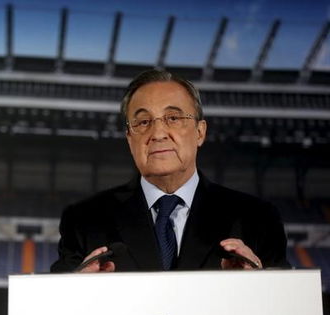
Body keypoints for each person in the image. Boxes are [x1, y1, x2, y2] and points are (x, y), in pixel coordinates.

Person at [51, 69, 288, 273]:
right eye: (143, 122)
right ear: (129, 138)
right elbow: (52, 309)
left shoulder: (258, 219)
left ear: (200, 132)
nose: (158, 133)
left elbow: (286, 311)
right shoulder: (83, 220)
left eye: (173, 118)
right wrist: (77, 290)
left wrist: (262, 281)